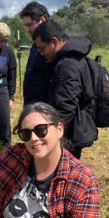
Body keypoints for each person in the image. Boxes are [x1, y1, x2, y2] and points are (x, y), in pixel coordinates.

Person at [32, 19, 98, 158]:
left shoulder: (67, 65)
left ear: (54, 42)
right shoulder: (71, 57)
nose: (42, 53)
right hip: (69, 129)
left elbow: (66, 106)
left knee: (63, 169)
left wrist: (52, 134)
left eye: (42, 48)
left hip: (68, 133)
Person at [19, 1, 53, 106]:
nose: (27, 30)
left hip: (46, 112)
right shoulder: (36, 45)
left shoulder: (53, 46)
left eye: (29, 25)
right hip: (33, 107)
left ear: (42, 20)